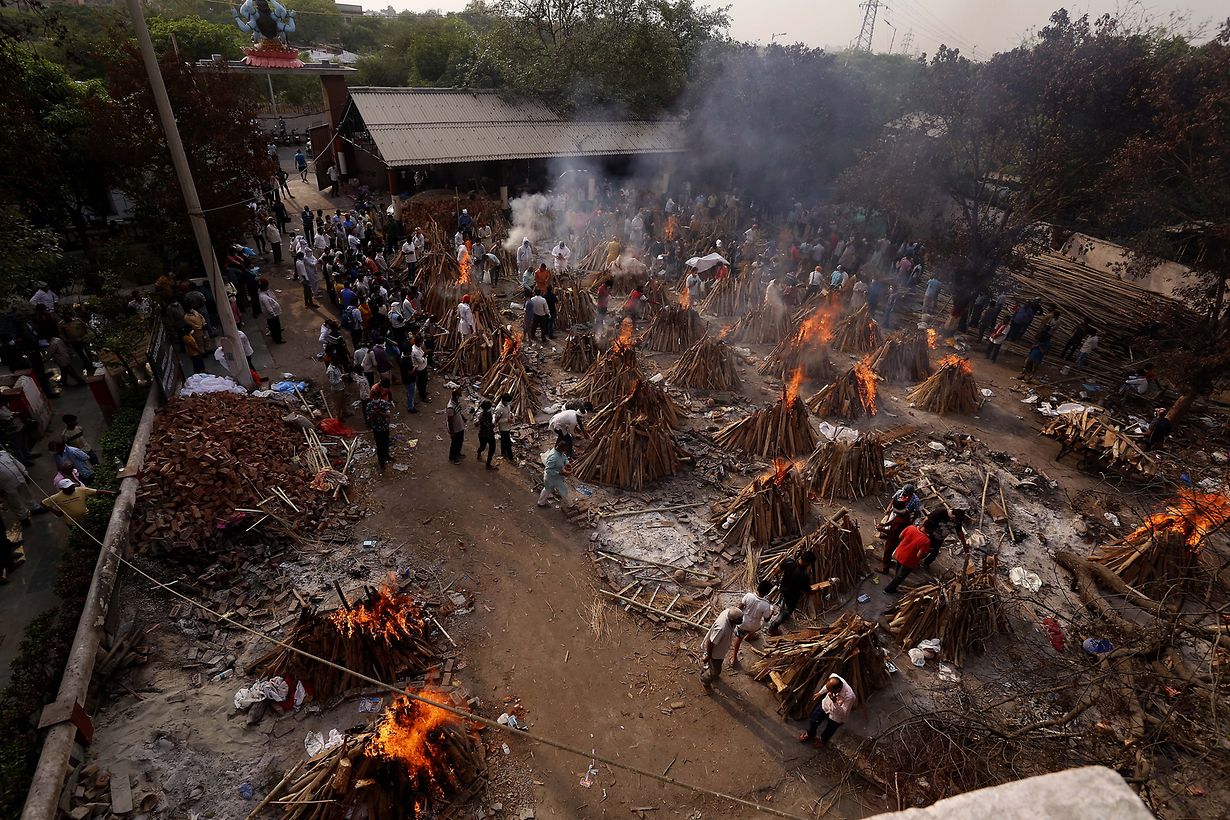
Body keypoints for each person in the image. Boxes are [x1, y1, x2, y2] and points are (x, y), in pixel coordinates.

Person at [799, 674, 856, 746]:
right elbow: (827, 687)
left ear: (837, 690)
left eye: (831, 691)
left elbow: (843, 713)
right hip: (826, 705)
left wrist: (835, 702)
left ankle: (823, 740)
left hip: (837, 716)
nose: (829, 692)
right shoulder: (833, 676)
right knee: (813, 720)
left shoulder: (850, 696)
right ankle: (811, 733)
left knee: (829, 730)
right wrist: (820, 693)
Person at [768, 552, 817, 635]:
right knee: (787, 611)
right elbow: (808, 591)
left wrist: (778, 580)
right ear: (807, 562)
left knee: (784, 602)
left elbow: (776, 571)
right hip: (793, 595)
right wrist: (818, 589)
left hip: (783, 589)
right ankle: (773, 627)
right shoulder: (804, 575)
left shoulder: (789, 562)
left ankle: (781, 615)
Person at [729, 580, 773, 666]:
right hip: (754, 626)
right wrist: (771, 612)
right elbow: (767, 620)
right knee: (757, 627)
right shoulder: (766, 605)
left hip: (743, 623)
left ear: (758, 588)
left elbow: (739, 608)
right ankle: (748, 636)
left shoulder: (749, 596)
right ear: (767, 592)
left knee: (738, 638)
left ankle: (734, 657)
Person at [878, 483, 920, 574]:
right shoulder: (904, 514)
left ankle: (886, 569)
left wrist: (881, 529)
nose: (904, 496)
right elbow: (893, 520)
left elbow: (892, 531)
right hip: (898, 531)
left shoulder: (901, 520)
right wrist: (884, 524)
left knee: (888, 551)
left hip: (895, 536)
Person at [700, 606, 743, 689]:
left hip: (720, 649)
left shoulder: (728, 612)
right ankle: (704, 680)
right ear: (732, 620)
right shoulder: (722, 628)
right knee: (716, 670)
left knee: (715, 665)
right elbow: (710, 642)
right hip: (714, 653)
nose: (742, 621)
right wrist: (708, 656)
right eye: (740, 619)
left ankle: (708, 670)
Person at [884, 522, 932, 593]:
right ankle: (889, 589)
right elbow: (919, 555)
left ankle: (894, 582)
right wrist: (927, 552)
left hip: (900, 553)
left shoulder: (911, 527)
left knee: (898, 570)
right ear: (930, 531)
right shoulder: (926, 541)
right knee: (900, 576)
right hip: (909, 560)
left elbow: (900, 537)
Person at [42, 479, 112, 525]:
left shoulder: (80, 490)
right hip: (72, 522)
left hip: (86, 517)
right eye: (68, 488)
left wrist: (113, 492)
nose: (72, 488)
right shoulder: (56, 497)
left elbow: (97, 491)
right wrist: (55, 512)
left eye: (72, 486)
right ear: (62, 489)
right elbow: (43, 503)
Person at [0, 449, 40, 527]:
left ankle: (35, 508)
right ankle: (23, 518)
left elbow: (17, 463)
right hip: (6, 486)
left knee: (28, 494)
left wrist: (25, 473)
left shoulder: (4, 453)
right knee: (14, 502)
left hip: (19, 479)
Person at [537, 437, 574, 507]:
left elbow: (564, 457)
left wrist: (567, 463)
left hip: (556, 477)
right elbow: (548, 470)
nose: (565, 451)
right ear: (561, 448)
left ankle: (541, 503)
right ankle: (570, 505)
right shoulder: (553, 457)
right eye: (565, 449)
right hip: (552, 478)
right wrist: (560, 473)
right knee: (563, 490)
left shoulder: (560, 452)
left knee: (547, 490)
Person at [365, 384, 393, 473]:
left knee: (386, 442)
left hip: (384, 426)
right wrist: (373, 414)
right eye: (374, 396)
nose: (376, 398)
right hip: (377, 428)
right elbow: (368, 419)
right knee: (379, 445)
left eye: (377, 396)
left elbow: (388, 415)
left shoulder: (384, 403)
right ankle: (381, 462)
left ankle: (387, 455)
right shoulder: (369, 405)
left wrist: (380, 413)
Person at [257, 279, 283, 344]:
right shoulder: (264, 297)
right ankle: (278, 340)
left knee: (273, 327)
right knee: (275, 327)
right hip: (272, 316)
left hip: (272, 315)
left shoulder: (264, 293)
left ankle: (276, 338)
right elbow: (269, 308)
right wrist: (273, 315)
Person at [446, 384, 466, 464]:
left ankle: (458, 453)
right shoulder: (450, 407)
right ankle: (452, 457)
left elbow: (459, 412)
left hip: (460, 425)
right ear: (456, 396)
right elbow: (450, 420)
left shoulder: (456, 403)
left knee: (460, 441)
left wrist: (463, 418)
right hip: (455, 428)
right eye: (459, 395)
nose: (460, 397)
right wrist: (452, 432)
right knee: (454, 443)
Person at [475, 399, 498, 470]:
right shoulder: (482, 416)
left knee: (491, 448)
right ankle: (479, 453)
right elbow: (489, 426)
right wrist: (496, 421)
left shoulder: (487, 413)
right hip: (485, 435)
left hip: (487, 434)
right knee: (483, 447)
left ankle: (488, 463)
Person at [493, 393, 515, 461]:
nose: (509, 403)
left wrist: (511, 415)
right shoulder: (498, 409)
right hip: (503, 428)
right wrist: (507, 420)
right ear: (503, 401)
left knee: (503, 440)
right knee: (508, 442)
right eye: (508, 402)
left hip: (508, 425)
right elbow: (497, 421)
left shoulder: (507, 405)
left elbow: (509, 412)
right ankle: (510, 456)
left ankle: (503, 452)